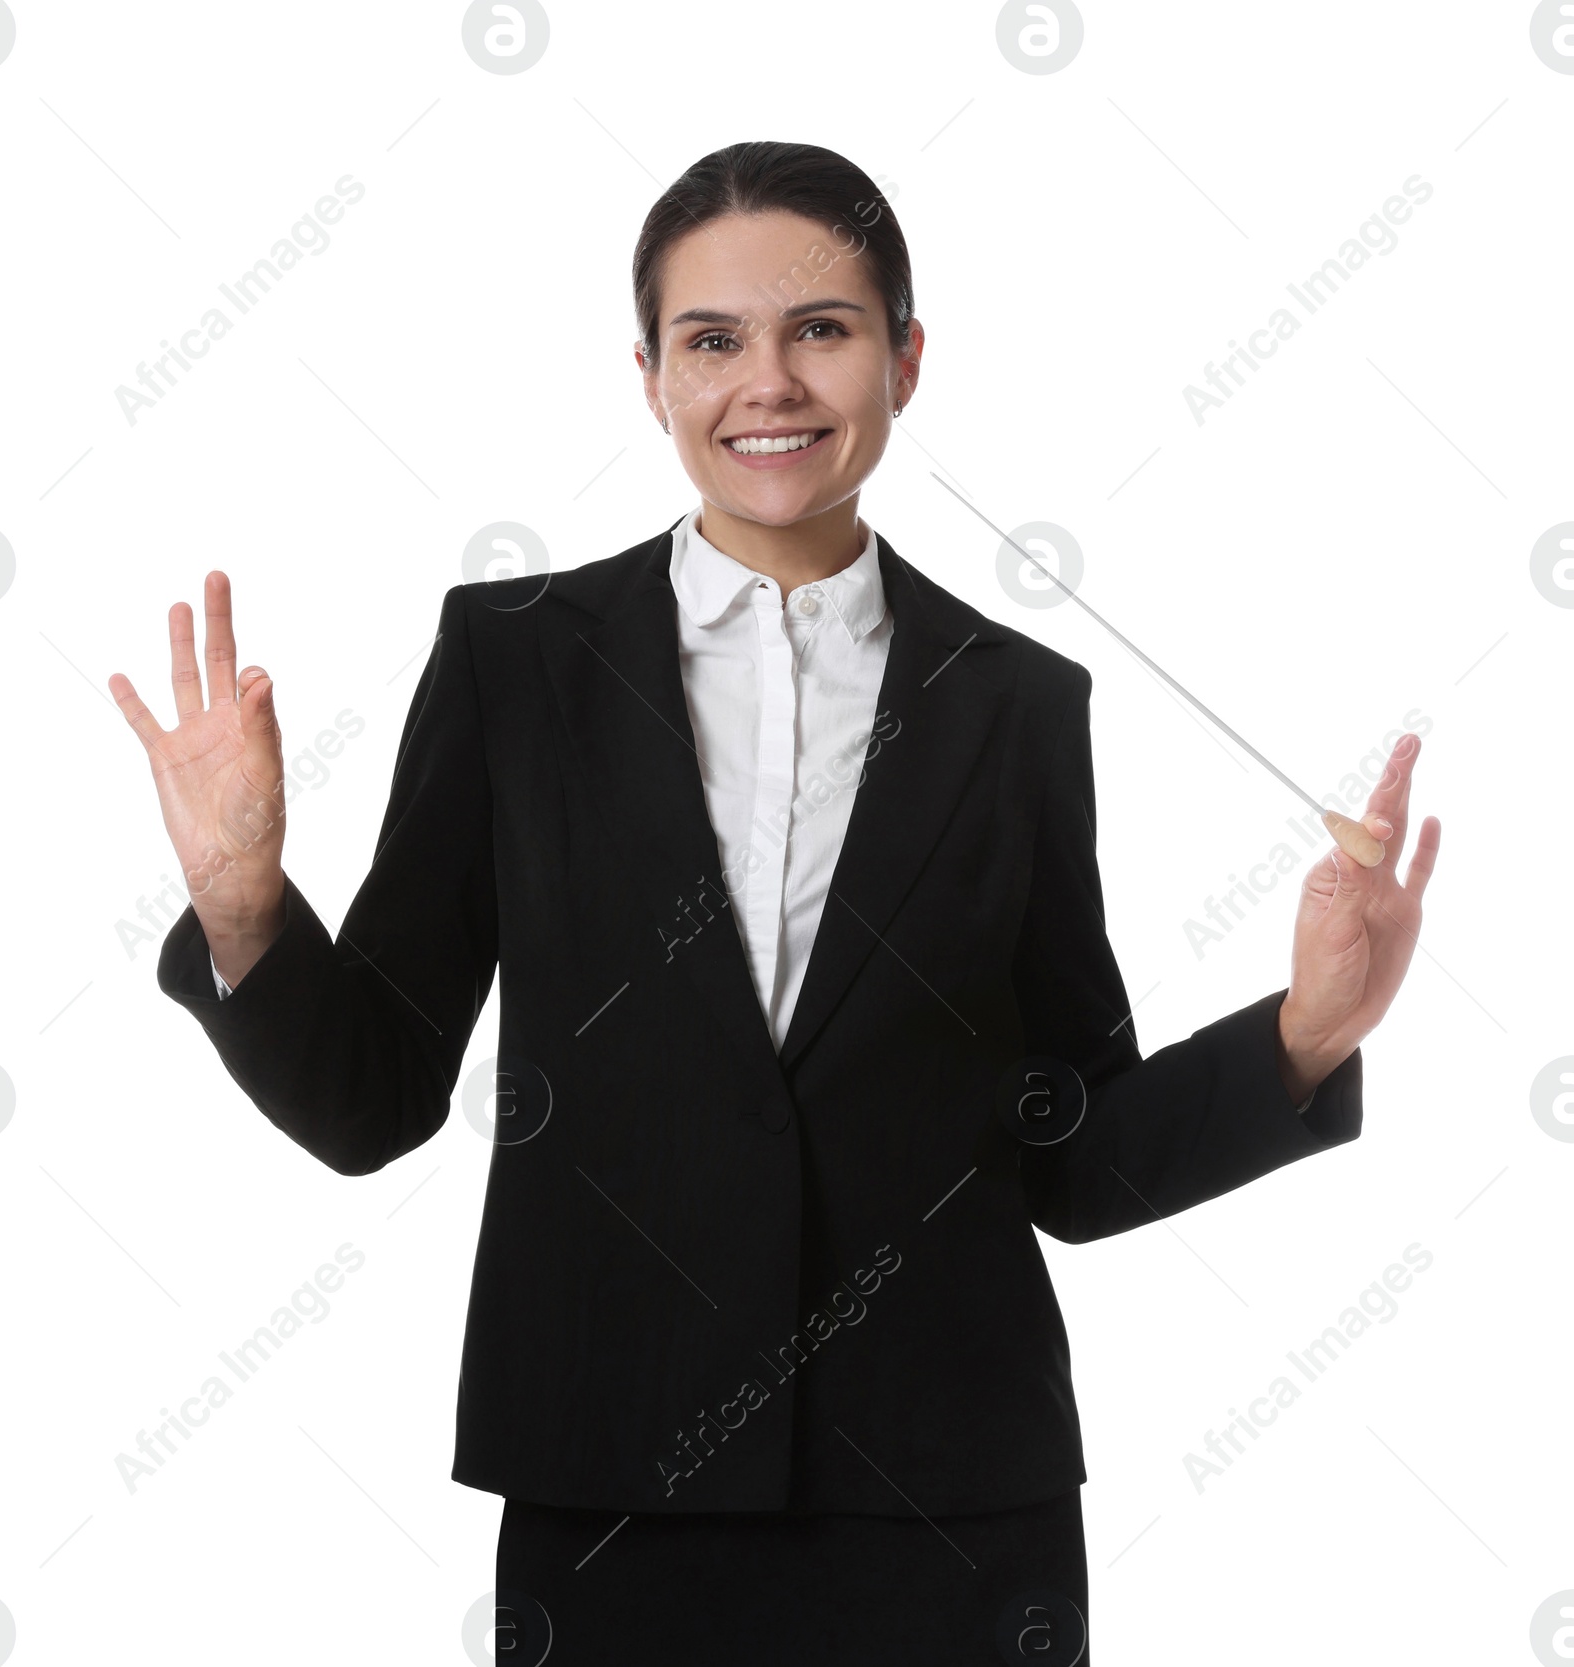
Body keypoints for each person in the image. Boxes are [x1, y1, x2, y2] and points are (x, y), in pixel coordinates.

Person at [111, 140, 1441, 1665]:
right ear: (651, 377)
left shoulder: (1015, 704)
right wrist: (242, 909)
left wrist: (1307, 1033)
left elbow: (1068, 1155)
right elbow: (371, 1103)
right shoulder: (515, 663)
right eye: (714, 340)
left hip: (953, 1510)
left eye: (822, 328)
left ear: (905, 357)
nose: (771, 384)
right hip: (613, 1493)